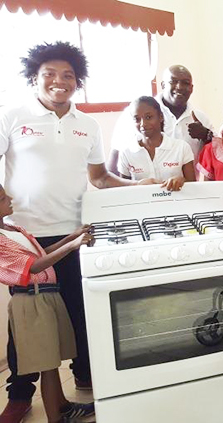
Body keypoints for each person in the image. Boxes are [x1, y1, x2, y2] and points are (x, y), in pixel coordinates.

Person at [0, 41, 151, 423]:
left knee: (80, 310)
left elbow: (99, 178)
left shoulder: (87, 125)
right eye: (49, 74)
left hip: (75, 233)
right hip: (27, 238)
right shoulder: (13, 116)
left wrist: (140, 187)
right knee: (27, 321)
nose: (58, 81)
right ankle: (19, 395)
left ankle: (83, 375)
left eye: (67, 75)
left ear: (77, 81)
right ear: (33, 78)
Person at [0, 185, 95, 423]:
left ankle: (62, 407)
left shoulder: (13, 229)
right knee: (48, 364)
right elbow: (32, 267)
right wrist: (72, 246)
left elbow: (39, 256)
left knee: (52, 359)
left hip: (45, 296)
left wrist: (71, 237)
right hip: (31, 302)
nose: (10, 197)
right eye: (3, 197)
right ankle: (56, 418)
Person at [108, 65, 214, 170]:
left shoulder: (201, 119)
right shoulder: (134, 115)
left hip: (187, 185)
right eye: (173, 81)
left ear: (191, 88)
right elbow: (115, 162)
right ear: (163, 85)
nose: (179, 87)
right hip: (142, 185)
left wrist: (206, 136)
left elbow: (219, 157)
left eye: (185, 83)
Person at [117, 96, 196, 191]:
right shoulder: (127, 153)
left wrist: (181, 180)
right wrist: (136, 184)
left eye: (148, 117)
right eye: (137, 119)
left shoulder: (181, 147)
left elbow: (193, 186)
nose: (143, 124)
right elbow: (122, 191)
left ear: (161, 117)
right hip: (142, 204)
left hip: (175, 203)